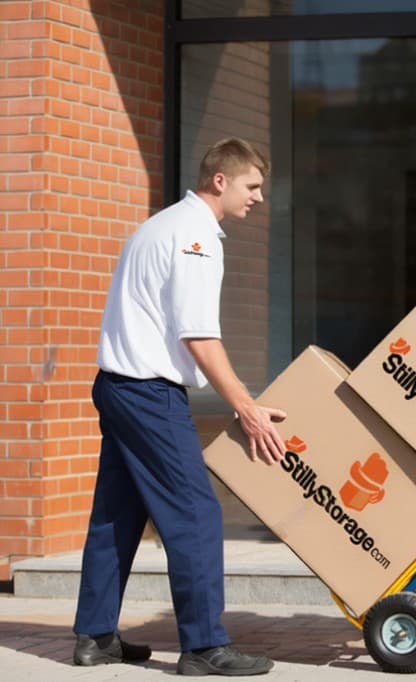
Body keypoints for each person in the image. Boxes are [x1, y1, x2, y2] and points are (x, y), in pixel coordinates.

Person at [72, 138, 285, 676]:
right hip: (147, 393)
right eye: (252, 186)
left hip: (117, 386)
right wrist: (247, 407)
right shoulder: (195, 237)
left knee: (116, 516)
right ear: (221, 180)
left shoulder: (159, 225)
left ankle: (95, 637)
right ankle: (204, 646)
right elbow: (198, 334)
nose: (258, 197)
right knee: (195, 513)